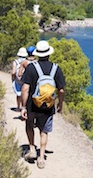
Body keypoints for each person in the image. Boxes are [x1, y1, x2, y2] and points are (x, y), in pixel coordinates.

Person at [20, 40, 66, 169]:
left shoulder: (31, 67)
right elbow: (61, 90)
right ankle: (41, 158)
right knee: (44, 131)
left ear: (38, 54)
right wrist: (60, 104)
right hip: (48, 106)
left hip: (31, 104)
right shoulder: (56, 68)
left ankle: (32, 149)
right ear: (49, 54)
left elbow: (25, 89)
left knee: (29, 125)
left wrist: (23, 107)